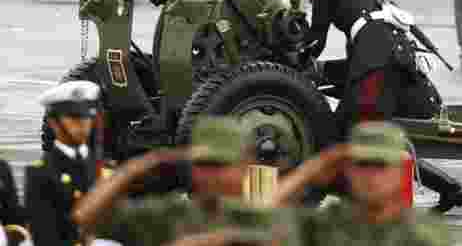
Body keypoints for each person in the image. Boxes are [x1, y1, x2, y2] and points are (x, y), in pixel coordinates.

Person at [295, 0, 462, 213]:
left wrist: (296, 63)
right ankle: (450, 189)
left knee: (353, 130)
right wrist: (322, 72)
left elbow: (316, 39)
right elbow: (357, 56)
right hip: (392, 57)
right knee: (370, 132)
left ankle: (450, 188)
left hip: (378, 61)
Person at [75, 117, 298, 246]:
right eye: (204, 165)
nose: (212, 176)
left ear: (245, 166)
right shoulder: (169, 216)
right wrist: (138, 168)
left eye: (221, 165)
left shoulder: (274, 220)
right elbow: (81, 222)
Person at [274, 122, 451, 245]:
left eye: (381, 165)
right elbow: (258, 219)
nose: (370, 175)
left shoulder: (422, 234)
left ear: (399, 171)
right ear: (347, 168)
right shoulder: (322, 225)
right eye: (362, 163)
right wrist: (315, 167)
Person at [25, 81, 101, 246]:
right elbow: (45, 235)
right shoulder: (41, 174)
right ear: (54, 123)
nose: (82, 125)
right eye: (74, 119)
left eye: (86, 118)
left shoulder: (102, 168)